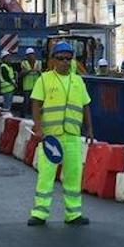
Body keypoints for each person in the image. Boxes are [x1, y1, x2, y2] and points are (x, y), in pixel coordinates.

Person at [28, 41, 94, 227]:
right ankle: (40, 213)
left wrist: (89, 129)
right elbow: (35, 104)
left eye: (68, 59)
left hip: (72, 136)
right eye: (61, 59)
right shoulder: (45, 79)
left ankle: (73, 214)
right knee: (46, 176)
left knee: (73, 175)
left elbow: (86, 105)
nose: (65, 62)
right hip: (50, 137)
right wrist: (38, 127)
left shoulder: (78, 81)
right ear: (53, 60)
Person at [20, 47, 42, 116]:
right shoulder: (24, 63)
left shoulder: (39, 63)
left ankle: (33, 114)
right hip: (27, 86)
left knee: (34, 102)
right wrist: (29, 71)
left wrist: (39, 71)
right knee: (26, 102)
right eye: (29, 55)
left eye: (32, 55)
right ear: (27, 56)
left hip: (35, 86)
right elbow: (22, 74)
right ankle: (24, 114)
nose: (31, 56)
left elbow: (41, 74)